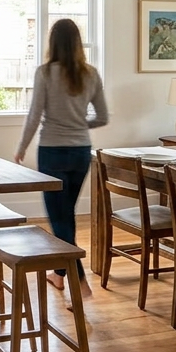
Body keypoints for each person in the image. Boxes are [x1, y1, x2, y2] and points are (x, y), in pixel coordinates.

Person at [14, 19, 109, 301]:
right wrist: (78, 125)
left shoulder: (44, 73)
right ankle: (59, 274)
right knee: (66, 214)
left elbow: (34, 116)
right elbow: (102, 117)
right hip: (81, 152)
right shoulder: (90, 74)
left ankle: (79, 281)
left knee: (59, 219)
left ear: (52, 43)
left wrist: (21, 147)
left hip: (52, 151)